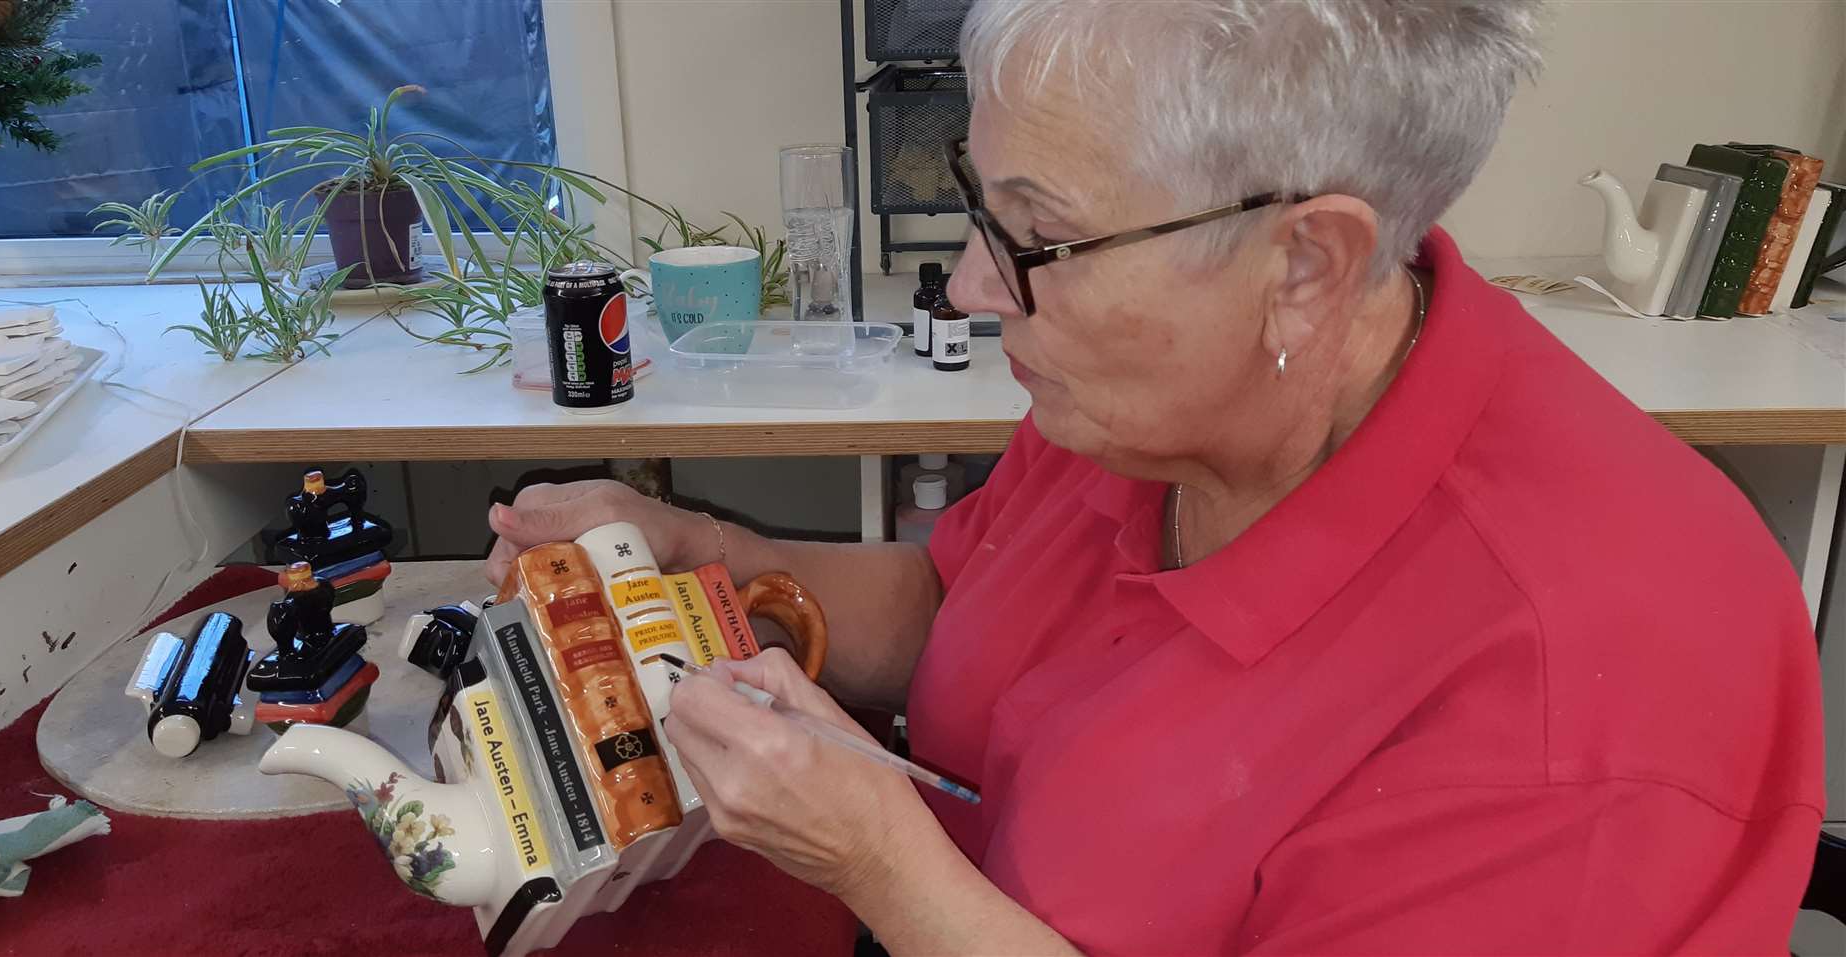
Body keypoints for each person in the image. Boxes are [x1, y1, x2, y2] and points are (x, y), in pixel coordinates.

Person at [486, 1, 1824, 952]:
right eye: (980, 203)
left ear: (1305, 264)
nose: (965, 283)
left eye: (1036, 236)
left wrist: (888, 866)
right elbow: (961, 600)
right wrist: (686, 547)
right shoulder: (1153, 403)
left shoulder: (1579, 701)